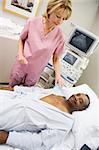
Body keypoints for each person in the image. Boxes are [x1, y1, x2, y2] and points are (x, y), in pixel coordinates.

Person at [9, 0, 72, 88]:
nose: (60, 21)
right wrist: (20, 55)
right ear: (49, 10)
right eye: (58, 16)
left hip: (35, 71)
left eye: (64, 19)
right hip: (21, 64)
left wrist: (58, 76)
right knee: (11, 89)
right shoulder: (32, 22)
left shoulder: (60, 36)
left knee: (25, 95)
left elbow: (56, 58)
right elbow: (21, 39)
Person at [0, 92, 90, 149]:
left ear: (80, 110)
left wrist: (8, 138)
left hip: (11, 116)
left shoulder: (65, 123)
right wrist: (13, 90)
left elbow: (40, 142)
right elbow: (33, 92)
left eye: (80, 101)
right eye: (78, 95)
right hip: (8, 98)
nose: (76, 97)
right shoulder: (56, 94)